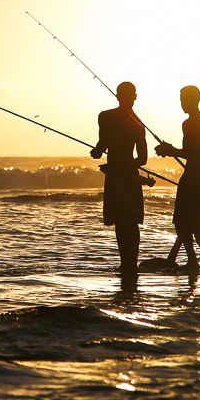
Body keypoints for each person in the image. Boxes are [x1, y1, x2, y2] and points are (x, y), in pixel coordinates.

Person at [90, 82, 147, 285]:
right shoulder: (133, 123)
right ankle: (128, 263)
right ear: (134, 97)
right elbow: (141, 159)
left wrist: (113, 164)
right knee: (126, 222)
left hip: (120, 175)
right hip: (123, 175)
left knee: (126, 222)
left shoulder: (108, 117)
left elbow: (142, 158)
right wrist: (99, 152)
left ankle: (128, 264)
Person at [155, 85, 200, 275]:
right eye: (180, 100)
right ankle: (193, 262)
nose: (182, 104)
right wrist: (171, 150)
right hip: (189, 175)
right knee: (181, 221)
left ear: (195, 100)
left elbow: (195, 153)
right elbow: (187, 152)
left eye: (184, 100)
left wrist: (170, 151)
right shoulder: (186, 124)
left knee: (199, 220)